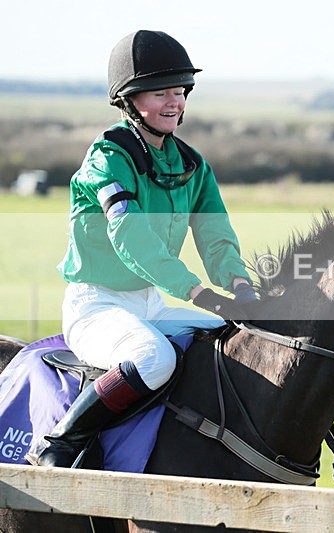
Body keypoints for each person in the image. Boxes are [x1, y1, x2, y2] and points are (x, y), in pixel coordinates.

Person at [26, 30, 258, 468]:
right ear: (130, 101)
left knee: (236, 338)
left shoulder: (192, 163)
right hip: (96, 306)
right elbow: (131, 236)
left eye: (179, 92)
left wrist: (240, 286)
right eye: (159, 93)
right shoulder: (106, 159)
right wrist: (197, 292)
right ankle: (60, 442)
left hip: (149, 304)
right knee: (153, 359)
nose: (173, 103)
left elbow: (216, 236)